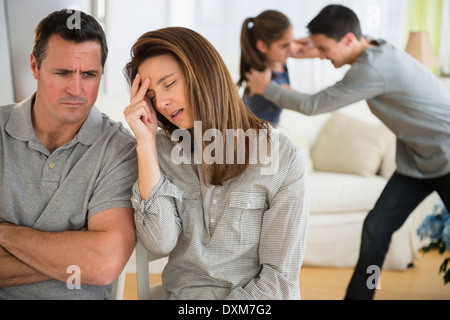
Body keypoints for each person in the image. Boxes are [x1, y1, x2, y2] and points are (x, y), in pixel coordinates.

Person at [245, 4, 450, 300]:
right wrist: (316, 47)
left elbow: (313, 105)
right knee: (376, 229)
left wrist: (267, 87)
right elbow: (339, 50)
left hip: (447, 157)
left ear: (350, 39)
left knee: (376, 230)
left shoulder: (373, 69)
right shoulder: (375, 48)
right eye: (320, 48)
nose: (323, 55)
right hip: (416, 165)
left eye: (325, 49)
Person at [123, 26, 309, 300]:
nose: (161, 102)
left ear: (204, 74)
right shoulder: (159, 151)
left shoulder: (282, 157)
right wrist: (146, 144)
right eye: (151, 97)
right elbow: (159, 241)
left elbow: (279, 280)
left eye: (170, 83)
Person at [0, 9, 138, 299]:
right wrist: (75, 254)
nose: (76, 89)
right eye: (63, 73)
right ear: (35, 66)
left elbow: (103, 264)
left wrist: (5, 235)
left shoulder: (119, 149)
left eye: (89, 74)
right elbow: (93, 263)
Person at [238, 10, 294, 125]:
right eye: (284, 45)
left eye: (292, 42)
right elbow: (304, 103)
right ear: (262, 46)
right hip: (254, 139)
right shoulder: (265, 80)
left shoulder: (278, 61)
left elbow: (297, 49)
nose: (292, 50)